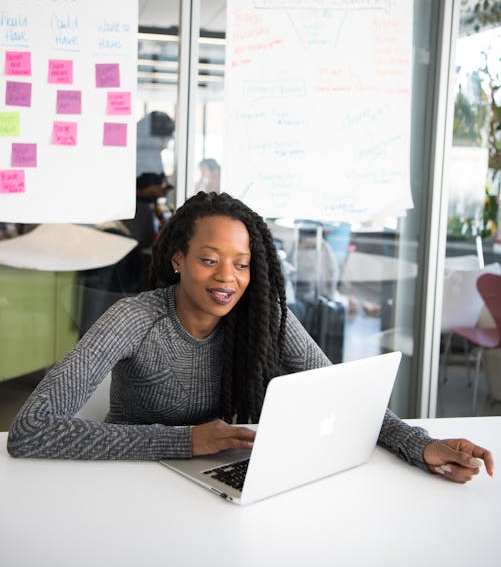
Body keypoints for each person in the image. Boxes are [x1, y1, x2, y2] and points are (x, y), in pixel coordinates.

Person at [7, 192, 494, 484]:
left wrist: (418, 444)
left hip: (217, 479)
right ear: (178, 258)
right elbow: (31, 431)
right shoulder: (134, 319)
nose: (227, 278)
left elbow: (344, 399)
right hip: (128, 479)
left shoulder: (265, 318)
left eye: (241, 264)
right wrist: (184, 441)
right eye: (209, 259)